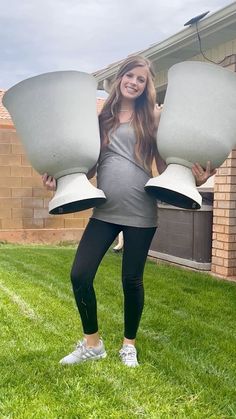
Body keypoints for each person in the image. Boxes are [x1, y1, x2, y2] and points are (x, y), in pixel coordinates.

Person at [42, 55, 215, 367]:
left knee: (131, 280)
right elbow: (89, 168)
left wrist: (196, 177)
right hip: (105, 210)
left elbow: (164, 167)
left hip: (141, 211)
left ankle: (128, 345)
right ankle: (92, 344)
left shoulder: (153, 119)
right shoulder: (100, 120)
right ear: (120, 78)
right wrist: (59, 178)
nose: (134, 83)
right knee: (80, 274)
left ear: (146, 86)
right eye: (130, 76)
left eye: (141, 80)